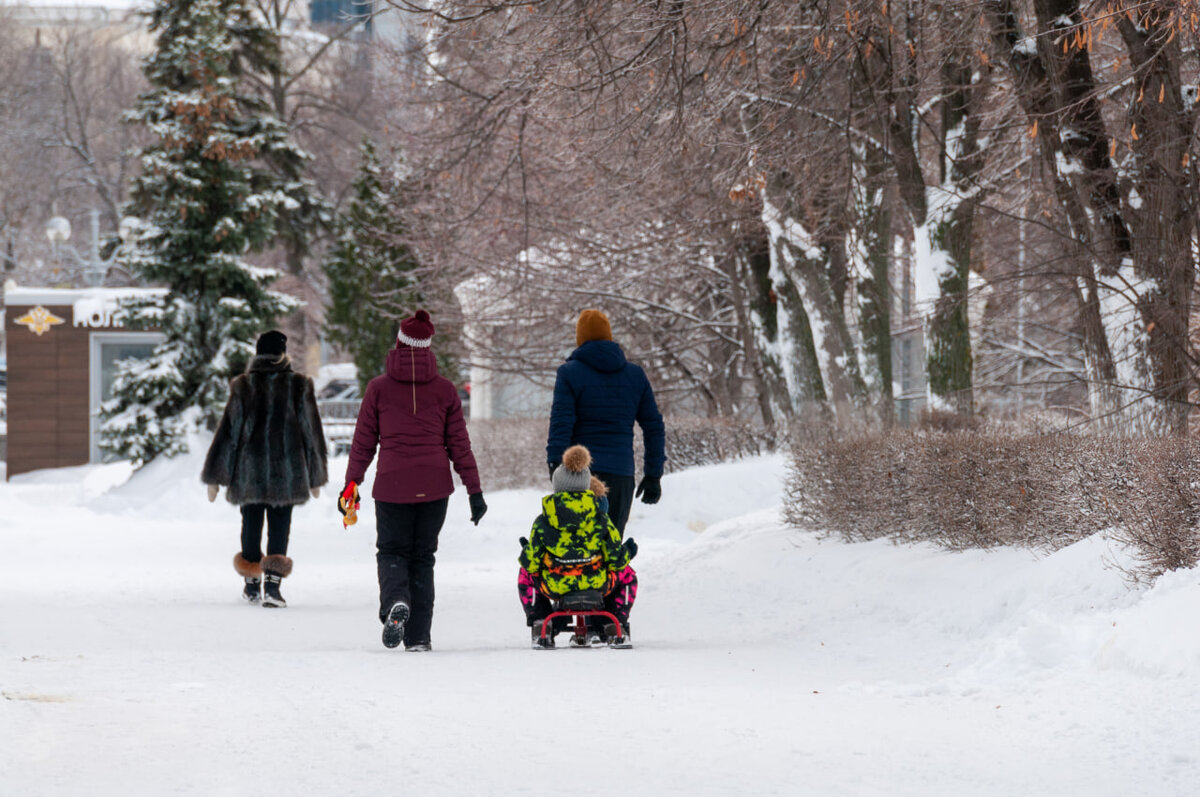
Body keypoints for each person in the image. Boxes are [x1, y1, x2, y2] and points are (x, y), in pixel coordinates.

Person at [342, 309, 487, 651]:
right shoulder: (446, 391)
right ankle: (419, 637)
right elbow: (459, 445)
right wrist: (474, 491)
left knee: (392, 551)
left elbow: (363, 441)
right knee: (423, 558)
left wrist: (352, 483)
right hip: (435, 487)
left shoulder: (377, 389)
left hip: (392, 486)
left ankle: (395, 601)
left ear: (399, 343)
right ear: (427, 347)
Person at [202, 330, 328, 608]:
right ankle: (273, 586)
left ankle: (251, 585)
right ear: (283, 354)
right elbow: (311, 433)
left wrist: (216, 476)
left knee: (251, 523)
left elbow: (228, 432)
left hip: (249, 471)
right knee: (281, 526)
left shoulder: (244, 385)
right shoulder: (299, 385)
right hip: (288, 471)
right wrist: (316, 476)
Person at [546, 309, 665, 537]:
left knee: (576, 553)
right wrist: (653, 474)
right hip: (621, 475)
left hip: (579, 476)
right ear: (609, 336)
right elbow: (653, 426)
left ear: (580, 339)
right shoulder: (635, 375)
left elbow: (561, 423)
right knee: (611, 551)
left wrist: (554, 464)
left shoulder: (569, 373)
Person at [518, 445, 637, 649]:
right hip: (597, 584)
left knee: (524, 574)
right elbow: (616, 560)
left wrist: (525, 551)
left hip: (555, 585)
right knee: (627, 574)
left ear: (557, 486)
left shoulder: (543, 522)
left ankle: (541, 624)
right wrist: (628, 551)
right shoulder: (601, 519)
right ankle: (614, 622)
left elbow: (531, 564)